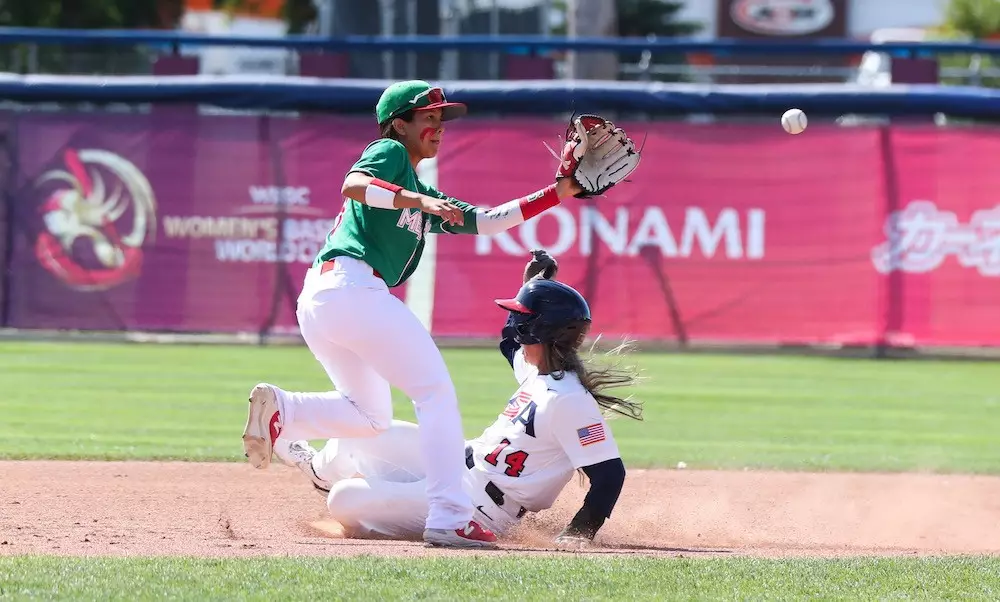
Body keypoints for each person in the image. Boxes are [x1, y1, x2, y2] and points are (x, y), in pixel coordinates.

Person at [241, 80, 587, 549]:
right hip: (352, 288)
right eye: (428, 117)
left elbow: (487, 220)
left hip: (327, 298)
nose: (438, 126)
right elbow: (354, 185)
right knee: (435, 392)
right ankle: (449, 515)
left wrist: (560, 191)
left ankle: (284, 409)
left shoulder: (416, 184)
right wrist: (418, 201)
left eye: (441, 118)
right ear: (398, 124)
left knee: (369, 416)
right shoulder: (389, 153)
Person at [284, 251, 644, 546]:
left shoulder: (569, 400)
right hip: (455, 464)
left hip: (481, 508)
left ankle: (385, 507)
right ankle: (322, 472)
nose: (515, 326)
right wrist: (530, 287)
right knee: (356, 438)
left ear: (539, 330)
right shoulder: (540, 373)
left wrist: (578, 534)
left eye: (522, 318)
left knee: (344, 500)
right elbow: (508, 343)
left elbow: (609, 474)